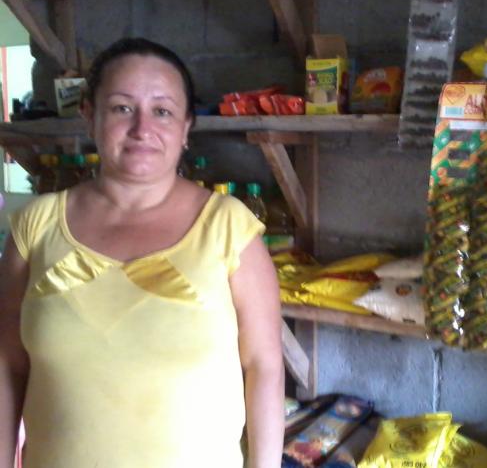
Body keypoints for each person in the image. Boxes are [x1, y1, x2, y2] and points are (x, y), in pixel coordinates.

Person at [0, 37, 284, 468]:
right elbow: (8, 366)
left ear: (186, 127)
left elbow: (264, 367)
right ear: (89, 116)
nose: (142, 128)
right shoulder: (34, 227)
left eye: (162, 111)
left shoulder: (228, 228)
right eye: (121, 108)